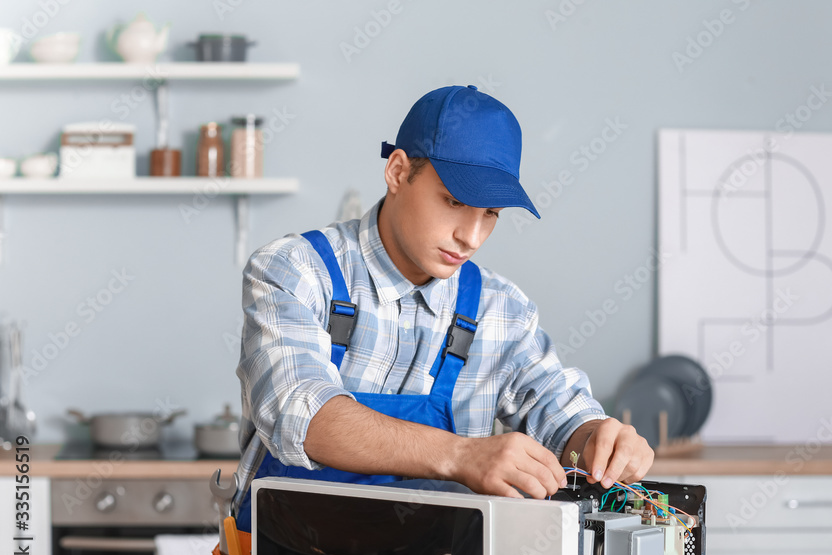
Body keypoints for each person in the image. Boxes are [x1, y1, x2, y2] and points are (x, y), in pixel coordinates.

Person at [231, 85, 654, 531]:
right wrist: (460, 455)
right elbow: (301, 412)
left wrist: (597, 440)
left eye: (491, 213)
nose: (471, 237)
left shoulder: (500, 310)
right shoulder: (297, 270)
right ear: (397, 172)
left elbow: (559, 413)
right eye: (454, 202)